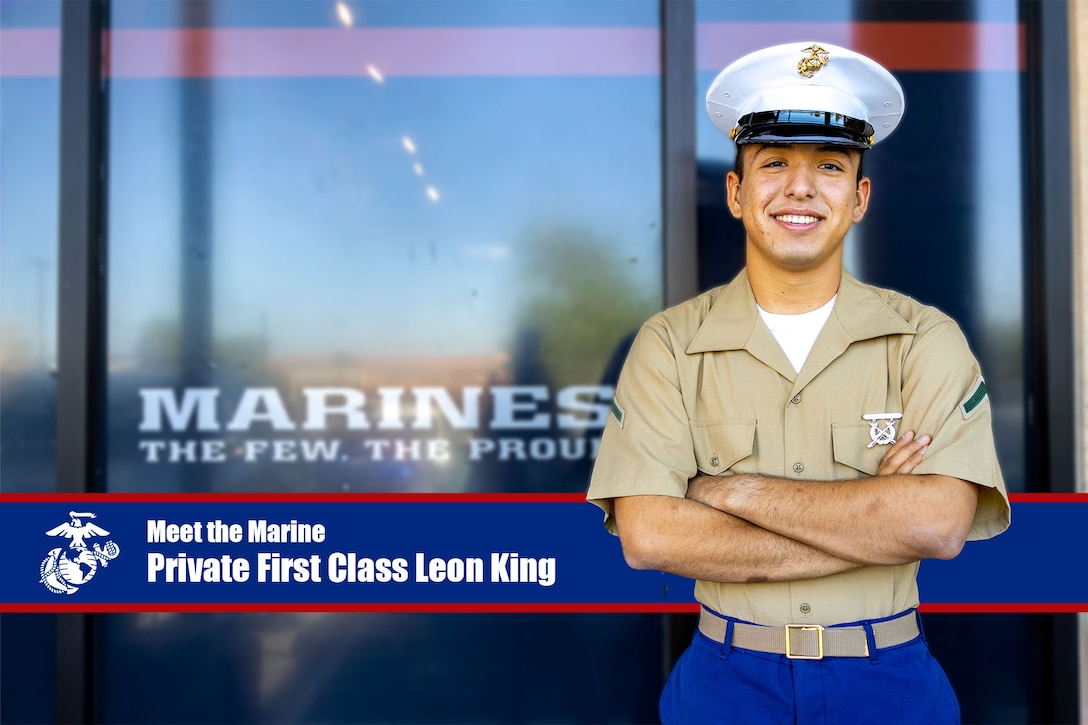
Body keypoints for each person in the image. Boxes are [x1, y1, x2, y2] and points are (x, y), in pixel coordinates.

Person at [586, 42, 1010, 723]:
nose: (801, 188)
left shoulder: (924, 339)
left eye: (831, 166)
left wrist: (729, 492)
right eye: (774, 163)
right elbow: (651, 537)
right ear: (737, 192)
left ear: (860, 196)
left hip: (889, 680)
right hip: (726, 682)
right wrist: (870, 516)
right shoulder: (668, 345)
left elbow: (935, 524)